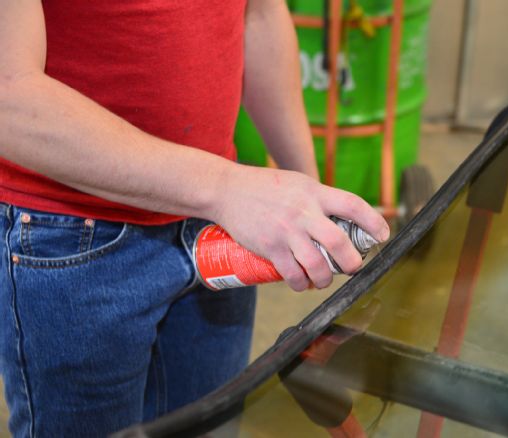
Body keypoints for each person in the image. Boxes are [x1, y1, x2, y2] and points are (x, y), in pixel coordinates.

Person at [0, 0, 389, 436]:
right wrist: (224, 188)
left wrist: (307, 194)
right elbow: (7, 93)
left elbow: (258, 14)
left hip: (219, 224)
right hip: (74, 236)